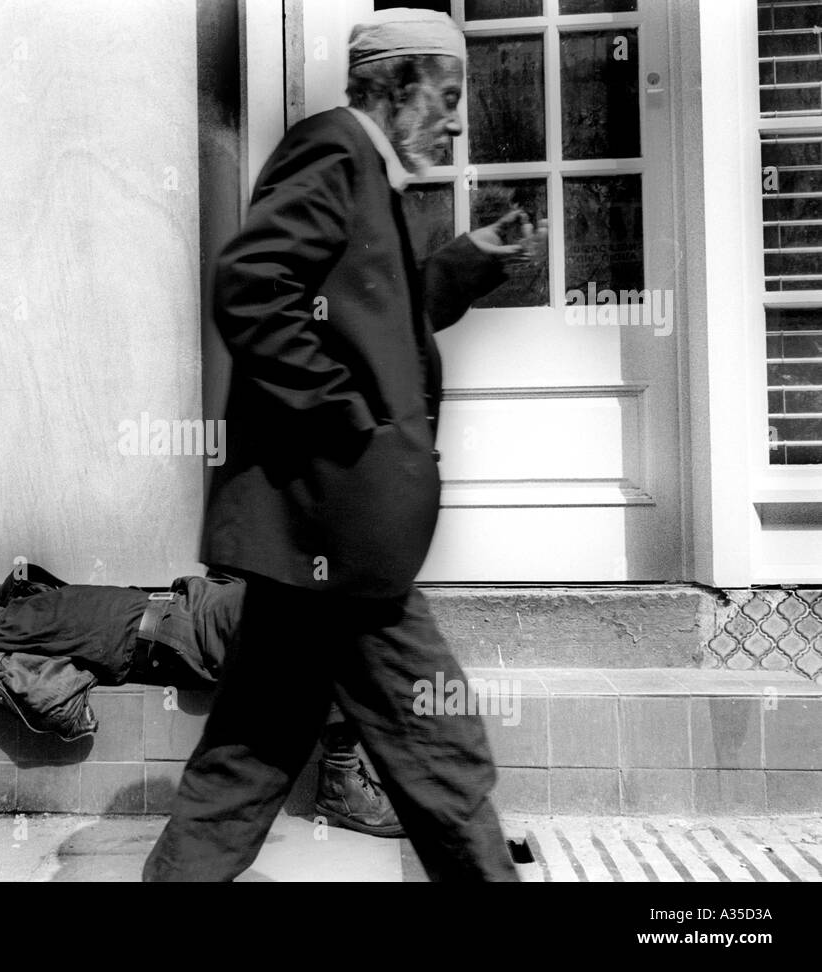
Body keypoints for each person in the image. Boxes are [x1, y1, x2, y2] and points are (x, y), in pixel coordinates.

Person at [143, 9, 548, 882]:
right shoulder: (333, 149)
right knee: (440, 756)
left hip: (316, 540)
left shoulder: (369, 173)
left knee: (248, 759)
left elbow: (380, 324)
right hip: (340, 533)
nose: (455, 117)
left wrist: (466, 261)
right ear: (398, 87)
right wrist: (340, 414)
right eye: (445, 96)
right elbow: (250, 283)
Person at [0, 564, 404, 837]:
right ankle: (340, 780)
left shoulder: (0, 597)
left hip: (193, 598)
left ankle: (355, 768)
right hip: (181, 636)